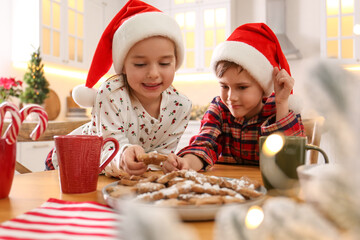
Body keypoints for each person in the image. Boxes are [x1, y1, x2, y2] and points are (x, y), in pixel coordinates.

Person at [45, 0, 192, 177]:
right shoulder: (111, 94)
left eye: (164, 63)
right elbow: (109, 145)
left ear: (175, 62)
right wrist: (123, 156)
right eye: (140, 64)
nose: (153, 73)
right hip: (70, 164)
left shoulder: (180, 107)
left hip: (115, 177)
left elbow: (162, 154)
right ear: (123, 67)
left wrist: (167, 162)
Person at [162, 23, 305, 173]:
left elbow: (290, 162)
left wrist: (282, 103)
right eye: (224, 86)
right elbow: (204, 144)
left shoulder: (279, 109)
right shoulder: (219, 109)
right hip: (229, 187)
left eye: (242, 87)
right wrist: (185, 163)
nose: (231, 97)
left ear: (262, 87)